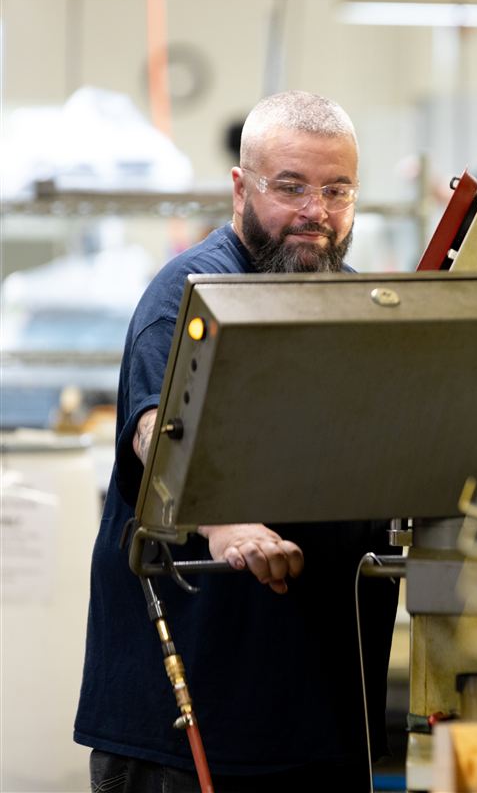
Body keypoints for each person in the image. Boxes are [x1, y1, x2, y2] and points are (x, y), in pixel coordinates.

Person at [74, 91, 400, 792]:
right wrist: (225, 526)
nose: (315, 211)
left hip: (324, 721)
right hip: (190, 725)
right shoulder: (189, 289)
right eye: (290, 187)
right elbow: (153, 429)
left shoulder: (357, 305)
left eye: (336, 190)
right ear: (240, 187)